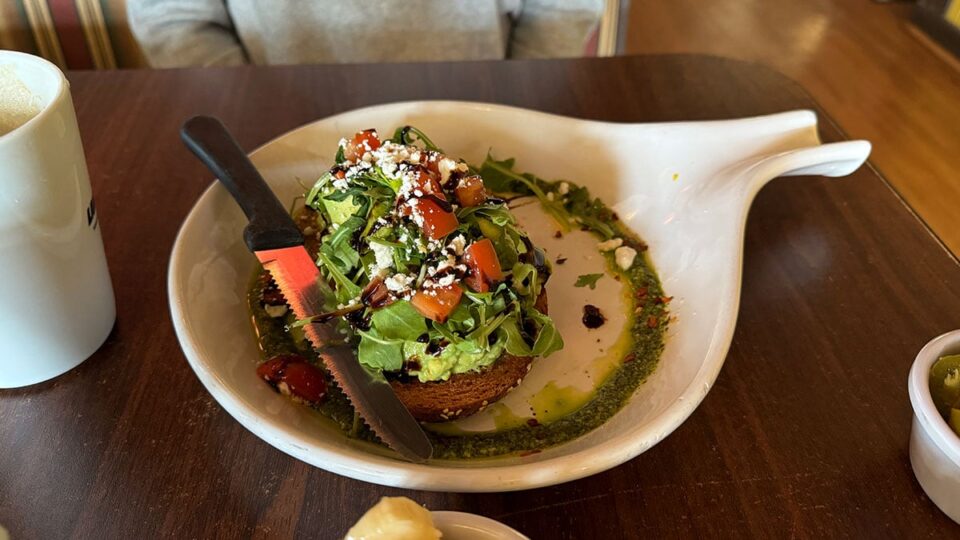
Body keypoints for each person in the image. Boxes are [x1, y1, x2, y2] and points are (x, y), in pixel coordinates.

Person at [127, 0, 605, 67]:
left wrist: (520, 87)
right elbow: (175, 21)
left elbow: (561, 8)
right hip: (276, 117)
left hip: (486, 101)